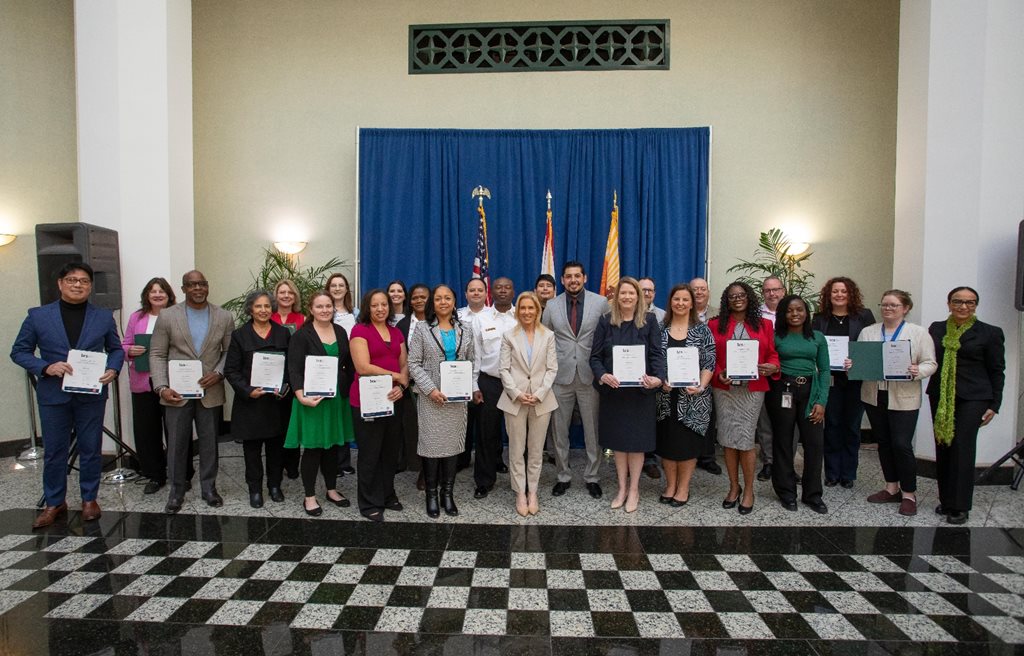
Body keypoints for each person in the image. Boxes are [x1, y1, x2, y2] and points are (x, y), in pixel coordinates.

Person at [11, 262, 124, 529]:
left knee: (90, 449)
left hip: (90, 394)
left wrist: (113, 369)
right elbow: (19, 351)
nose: (78, 285)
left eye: (84, 281)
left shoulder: (103, 317)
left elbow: (116, 349)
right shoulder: (38, 316)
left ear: (90, 286)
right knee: (54, 451)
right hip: (53, 395)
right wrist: (45, 367)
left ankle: (89, 499)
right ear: (60, 284)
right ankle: (54, 502)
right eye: (72, 280)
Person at [150, 270, 234, 515]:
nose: (198, 288)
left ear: (207, 286)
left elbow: (229, 352)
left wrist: (219, 373)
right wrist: (162, 387)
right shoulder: (167, 316)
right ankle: (176, 490)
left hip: (210, 390)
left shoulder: (224, 316)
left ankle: (209, 488)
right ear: (184, 288)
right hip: (176, 392)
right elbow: (157, 354)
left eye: (202, 284)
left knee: (210, 443)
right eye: (192, 284)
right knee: (176, 443)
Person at [927, 286, 1005, 525]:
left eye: (970, 303)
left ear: (976, 306)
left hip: (975, 397)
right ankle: (947, 499)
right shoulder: (937, 328)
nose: (963, 307)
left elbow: (997, 370)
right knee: (944, 445)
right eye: (958, 301)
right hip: (941, 396)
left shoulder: (990, 333)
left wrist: (995, 403)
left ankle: (960, 506)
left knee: (962, 445)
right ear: (949, 304)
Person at [590, 277, 666, 512]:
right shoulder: (606, 322)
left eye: (631, 293)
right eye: (622, 293)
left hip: (640, 394)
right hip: (614, 393)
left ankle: (634, 490)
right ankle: (622, 488)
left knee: (636, 445)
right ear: (616, 296)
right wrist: (602, 375)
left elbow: (656, 354)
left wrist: (658, 378)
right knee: (619, 445)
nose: (627, 297)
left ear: (638, 296)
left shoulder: (650, 321)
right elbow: (595, 357)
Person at [859, 290, 937, 517]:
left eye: (893, 305)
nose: (888, 309)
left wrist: (917, 371)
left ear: (905, 308)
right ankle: (891, 487)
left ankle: (909, 494)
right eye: (884, 305)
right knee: (883, 442)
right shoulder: (869, 331)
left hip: (904, 397)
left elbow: (930, 363)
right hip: (875, 395)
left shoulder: (918, 333)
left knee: (901, 444)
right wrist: (853, 363)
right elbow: (863, 360)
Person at [709, 281, 780, 515]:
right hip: (725, 389)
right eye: (731, 296)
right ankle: (733, 487)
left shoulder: (764, 324)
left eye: (741, 295)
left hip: (752, 389)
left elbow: (771, 353)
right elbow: (711, 356)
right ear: (726, 301)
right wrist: (720, 371)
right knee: (728, 438)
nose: (737, 299)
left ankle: (749, 490)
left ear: (749, 297)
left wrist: (772, 366)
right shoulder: (715, 325)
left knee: (746, 440)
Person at [408, 284, 478, 518]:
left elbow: (471, 361)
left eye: (448, 298)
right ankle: (431, 495)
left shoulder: (466, 329)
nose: (443, 302)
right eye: (438, 298)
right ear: (432, 303)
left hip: (457, 400)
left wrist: (469, 388)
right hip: (432, 399)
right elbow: (413, 364)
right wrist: (431, 390)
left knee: (452, 448)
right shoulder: (422, 329)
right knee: (431, 447)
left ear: (454, 301)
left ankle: (448, 494)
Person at [542, 261, 610, 499]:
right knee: (560, 431)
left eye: (577, 276)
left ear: (585, 278)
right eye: (568, 276)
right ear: (562, 280)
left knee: (593, 430)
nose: (573, 280)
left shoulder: (601, 303)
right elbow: (544, 341)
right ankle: (563, 475)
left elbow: (607, 337)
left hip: (590, 377)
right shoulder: (551, 305)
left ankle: (592, 476)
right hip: (560, 378)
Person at [285, 291, 354, 516]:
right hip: (312, 400)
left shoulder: (342, 332)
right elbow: (293, 368)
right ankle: (310, 496)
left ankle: (331, 490)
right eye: (320, 306)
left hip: (336, 399)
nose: (325, 310)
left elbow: (348, 364)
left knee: (333, 447)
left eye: (328, 306)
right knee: (313, 449)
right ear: (311, 309)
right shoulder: (302, 335)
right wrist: (300, 394)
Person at [224, 290, 292, 508]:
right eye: (258, 307)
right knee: (251, 451)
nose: (263, 310)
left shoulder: (283, 333)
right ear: (250, 310)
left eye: (266, 306)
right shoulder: (239, 335)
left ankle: (274, 486)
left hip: (276, 403)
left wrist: (285, 387)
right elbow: (231, 370)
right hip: (250, 404)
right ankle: (255, 489)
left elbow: (291, 367)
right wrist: (248, 390)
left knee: (276, 448)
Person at [349, 289, 408, 522]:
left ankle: (387, 494)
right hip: (367, 400)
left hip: (393, 398)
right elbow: (362, 366)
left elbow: (405, 365)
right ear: (367, 308)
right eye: (375, 305)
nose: (380, 309)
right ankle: (369, 501)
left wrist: (401, 387)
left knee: (389, 451)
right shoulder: (359, 331)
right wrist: (396, 375)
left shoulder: (396, 332)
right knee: (370, 452)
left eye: (384, 304)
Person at [497, 291, 558, 517]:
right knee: (516, 449)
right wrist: (516, 393)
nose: (527, 312)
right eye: (522, 308)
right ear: (517, 311)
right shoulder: (508, 336)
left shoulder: (548, 335)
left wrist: (540, 393)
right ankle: (519, 493)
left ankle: (532, 492)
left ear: (537, 310)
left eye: (531, 308)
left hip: (541, 401)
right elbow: (503, 369)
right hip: (515, 401)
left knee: (535, 451)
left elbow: (552, 368)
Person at [655, 284, 715, 506]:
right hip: (665, 397)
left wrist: (701, 385)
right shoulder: (660, 329)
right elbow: (654, 361)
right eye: (676, 299)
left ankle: (683, 487)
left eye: (685, 300)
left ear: (692, 304)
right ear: (670, 302)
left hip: (693, 397)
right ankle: (670, 485)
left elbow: (709, 362)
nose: (680, 303)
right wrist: (661, 381)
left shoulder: (702, 330)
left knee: (687, 444)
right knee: (668, 444)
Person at [811, 276, 874, 488]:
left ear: (851, 294)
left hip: (855, 380)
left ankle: (848, 473)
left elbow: (871, 348)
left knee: (852, 427)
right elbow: (814, 347)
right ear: (829, 295)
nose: (839, 295)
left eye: (844, 291)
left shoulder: (863, 317)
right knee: (831, 426)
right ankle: (831, 473)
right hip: (829, 381)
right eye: (835, 291)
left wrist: (857, 360)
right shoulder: (820, 319)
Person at [768, 295, 829, 514]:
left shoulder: (818, 338)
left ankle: (813, 495)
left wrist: (821, 401)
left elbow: (824, 371)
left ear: (806, 312)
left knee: (814, 444)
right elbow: (770, 361)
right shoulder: (776, 337)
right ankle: (786, 492)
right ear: (782, 314)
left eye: (799, 310)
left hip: (811, 392)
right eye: (789, 311)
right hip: (782, 390)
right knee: (783, 441)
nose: (795, 314)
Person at [122, 277, 176, 495]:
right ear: (147, 295)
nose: (157, 294)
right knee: (146, 431)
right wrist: (129, 351)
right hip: (143, 382)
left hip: (171, 382)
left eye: (161, 291)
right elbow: (124, 344)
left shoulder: (177, 315)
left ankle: (179, 473)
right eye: (153, 291)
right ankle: (154, 475)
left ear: (169, 295)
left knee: (174, 430)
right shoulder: (137, 317)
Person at [471, 276, 517, 498]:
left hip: (517, 383)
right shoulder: (482, 318)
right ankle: (484, 481)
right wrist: (473, 385)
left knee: (518, 435)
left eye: (507, 287)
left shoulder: (523, 315)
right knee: (486, 434)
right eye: (498, 287)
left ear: (513, 291)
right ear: (492, 291)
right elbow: (476, 355)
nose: (502, 291)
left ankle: (520, 482)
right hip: (489, 382)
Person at [456, 277, 493, 471]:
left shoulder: (494, 316)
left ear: (486, 293)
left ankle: (493, 460)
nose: (476, 293)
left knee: (488, 424)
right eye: (472, 290)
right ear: (466, 294)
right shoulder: (457, 316)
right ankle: (462, 459)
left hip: (487, 376)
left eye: (480, 290)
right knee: (463, 420)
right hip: (460, 376)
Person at [396, 283, 429, 484]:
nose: (418, 300)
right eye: (415, 297)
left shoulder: (437, 322)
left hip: (433, 385)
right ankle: (413, 464)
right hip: (409, 384)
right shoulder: (403, 325)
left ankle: (427, 472)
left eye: (423, 297)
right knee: (411, 427)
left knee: (430, 429)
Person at [326, 272, 358, 475]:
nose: (337, 289)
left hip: (352, 368)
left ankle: (344, 461)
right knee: (332, 413)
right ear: (328, 289)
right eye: (333, 285)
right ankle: (332, 463)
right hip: (329, 368)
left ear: (347, 289)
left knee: (346, 414)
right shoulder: (325, 311)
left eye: (341, 285)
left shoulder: (355, 313)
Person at [690, 276, 722, 475]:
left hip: (714, 371)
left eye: (703, 289)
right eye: (695, 289)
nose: (699, 292)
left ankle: (708, 457)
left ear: (708, 291)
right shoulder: (681, 312)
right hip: (686, 371)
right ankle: (691, 452)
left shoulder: (720, 315)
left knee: (710, 416)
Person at [755, 276, 786, 481]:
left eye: (776, 290)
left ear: (783, 291)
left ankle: (786, 463)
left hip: (788, 373)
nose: (772, 294)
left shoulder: (794, 311)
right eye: (767, 290)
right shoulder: (755, 315)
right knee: (765, 420)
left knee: (787, 421)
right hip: (762, 372)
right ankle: (768, 461)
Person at [272, 278, 303, 480]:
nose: (286, 296)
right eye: (282, 292)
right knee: (276, 423)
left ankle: (292, 464)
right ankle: (277, 462)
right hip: (272, 378)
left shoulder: (303, 319)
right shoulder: (267, 316)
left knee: (292, 421)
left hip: (295, 378)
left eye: (290, 292)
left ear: (295, 296)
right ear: (276, 296)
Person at [638, 276, 666, 480]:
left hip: (655, 377)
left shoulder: (663, 316)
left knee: (653, 421)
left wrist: (660, 375)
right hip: (632, 377)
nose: (647, 293)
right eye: (643, 290)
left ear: (654, 293)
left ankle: (650, 460)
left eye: (650, 290)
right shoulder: (626, 314)